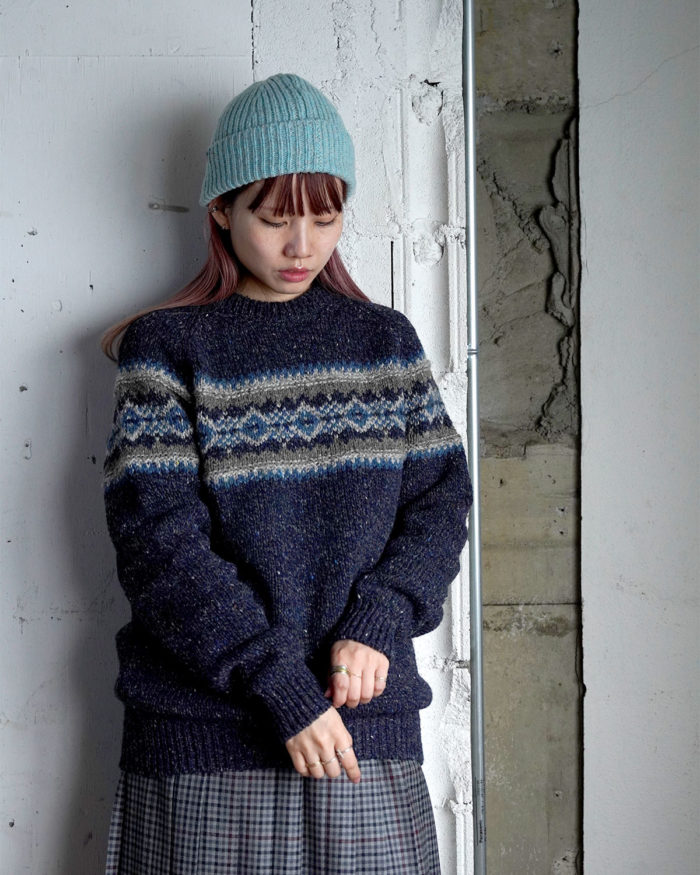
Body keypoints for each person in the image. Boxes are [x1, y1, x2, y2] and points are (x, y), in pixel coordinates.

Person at [101, 72, 472, 874]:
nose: (302, 245)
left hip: (361, 731)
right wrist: (279, 686)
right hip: (208, 736)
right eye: (274, 219)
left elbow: (442, 502)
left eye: (325, 216)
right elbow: (159, 544)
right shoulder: (166, 349)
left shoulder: (385, 343)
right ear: (221, 212)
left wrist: (380, 617)